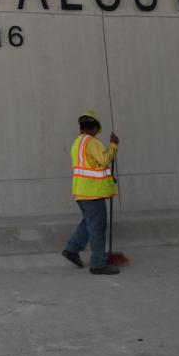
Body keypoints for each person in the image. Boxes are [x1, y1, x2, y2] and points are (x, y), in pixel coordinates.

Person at [61, 110, 120, 275]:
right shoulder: (93, 142)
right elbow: (104, 160)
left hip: (81, 192)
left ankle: (72, 249)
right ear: (95, 127)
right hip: (93, 193)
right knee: (97, 227)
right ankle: (98, 264)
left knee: (89, 222)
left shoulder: (77, 142)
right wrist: (114, 145)